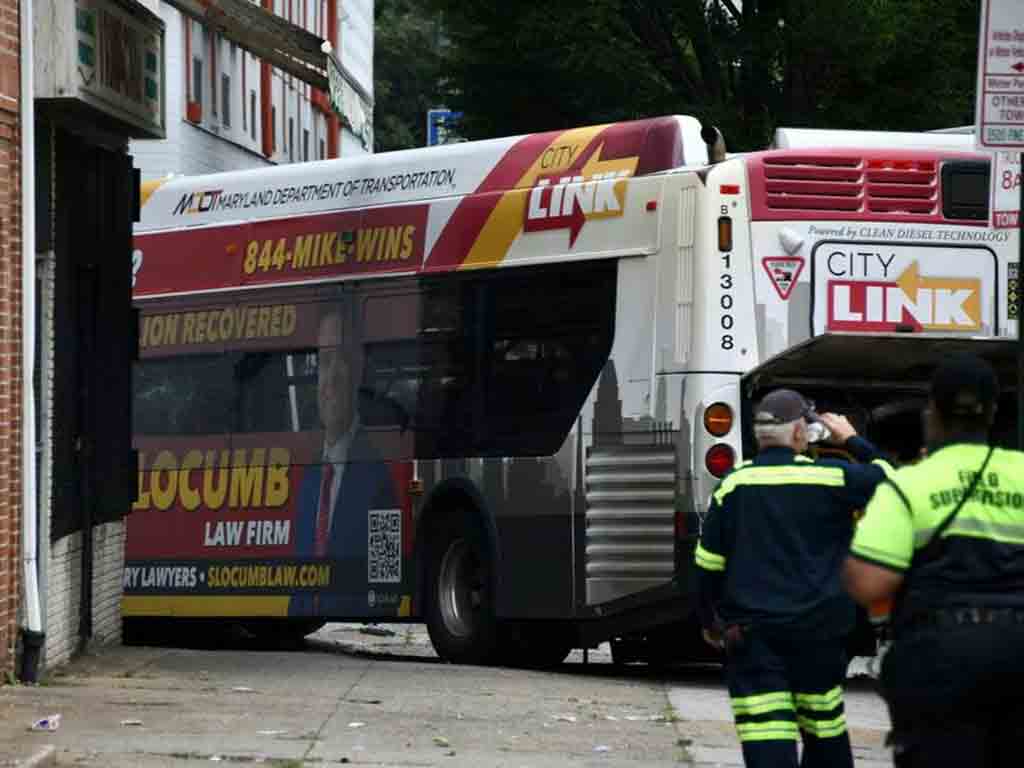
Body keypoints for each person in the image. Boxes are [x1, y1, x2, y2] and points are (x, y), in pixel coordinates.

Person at [843, 353, 1024, 767]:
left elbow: (869, 584)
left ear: (933, 414)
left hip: (940, 658)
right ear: (993, 412)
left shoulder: (909, 484)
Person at [695, 389, 892, 768]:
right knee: (825, 730)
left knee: (767, 734)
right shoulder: (834, 479)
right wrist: (851, 439)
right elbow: (892, 480)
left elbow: (708, 563)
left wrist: (710, 622)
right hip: (818, 634)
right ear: (801, 433)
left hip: (753, 635)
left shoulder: (735, 485)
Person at [290, 303, 397, 616]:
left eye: (342, 361)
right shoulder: (308, 482)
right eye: (324, 362)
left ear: (359, 369)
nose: (331, 378)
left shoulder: (380, 480)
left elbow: (385, 584)